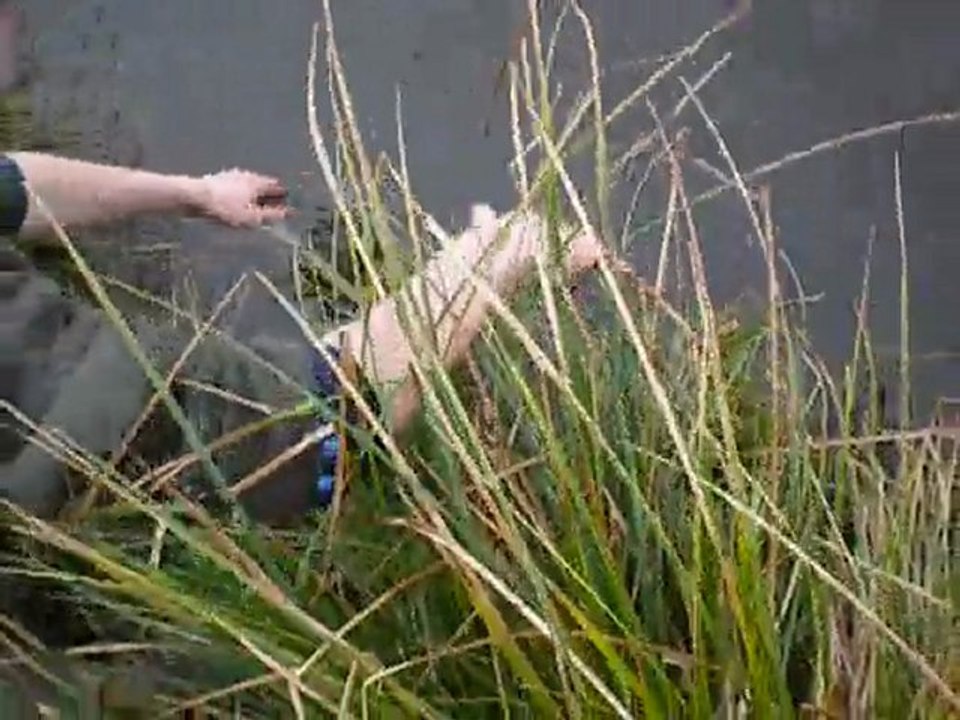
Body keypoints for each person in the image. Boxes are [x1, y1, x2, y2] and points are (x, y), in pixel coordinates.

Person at [1, 147, 603, 520]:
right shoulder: (57, 418)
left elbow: (14, 188)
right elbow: (331, 413)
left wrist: (198, 194)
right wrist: (495, 258)